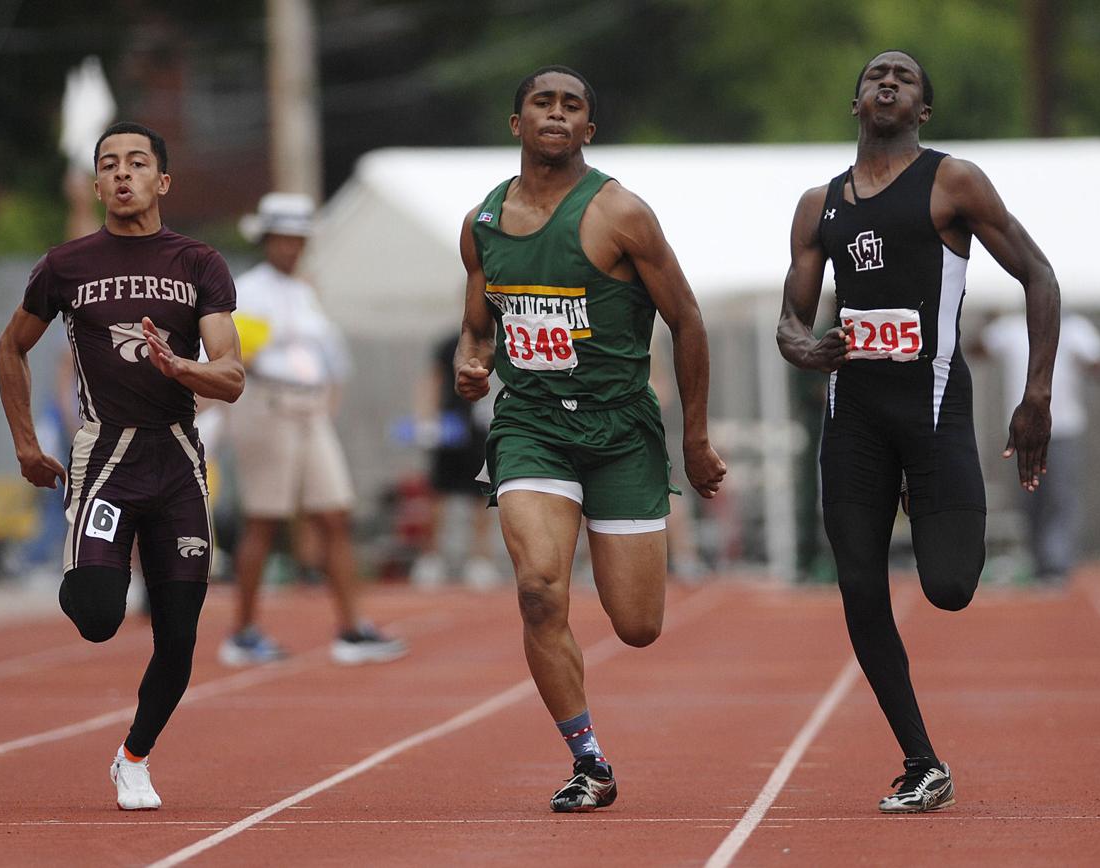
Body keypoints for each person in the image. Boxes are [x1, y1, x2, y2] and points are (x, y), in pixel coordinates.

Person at [776, 50, 1060, 813]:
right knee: (860, 587)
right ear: (856, 101)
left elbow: (1040, 274)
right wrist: (806, 348)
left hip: (933, 411)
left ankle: (931, 498)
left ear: (923, 110)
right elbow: (792, 322)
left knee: (949, 587)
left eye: (904, 77)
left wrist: (1036, 394)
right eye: (875, 75)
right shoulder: (818, 205)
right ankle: (921, 761)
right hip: (855, 419)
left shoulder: (952, 182)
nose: (889, 82)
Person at [455, 65, 726, 812]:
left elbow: (689, 320)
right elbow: (477, 329)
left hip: (620, 430)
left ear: (588, 130)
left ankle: (593, 736)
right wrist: (471, 364)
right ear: (517, 124)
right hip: (531, 424)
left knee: (637, 625)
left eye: (571, 105)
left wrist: (695, 438)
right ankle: (588, 760)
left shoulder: (619, 214)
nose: (556, 113)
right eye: (542, 102)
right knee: (540, 589)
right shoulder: (481, 224)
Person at [0, 122, 245, 810]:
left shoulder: (199, 263)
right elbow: (10, 348)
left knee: (180, 634)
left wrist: (181, 364)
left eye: (138, 163)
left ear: (162, 181)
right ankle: (83, 562)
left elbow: (231, 375)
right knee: (100, 617)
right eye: (110, 165)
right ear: (99, 183)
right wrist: (24, 442)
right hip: (105, 452)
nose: (123, 174)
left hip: (178, 458)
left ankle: (134, 755)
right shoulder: (66, 265)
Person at [218, 192, 406, 667]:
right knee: (264, 520)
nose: (291, 247)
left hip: (309, 410)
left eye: (298, 239)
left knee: (336, 513)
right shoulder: (249, 291)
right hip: (267, 404)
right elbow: (235, 358)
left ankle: (351, 628)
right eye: (283, 238)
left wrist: (325, 396)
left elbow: (329, 358)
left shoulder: (304, 292)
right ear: (266, 240)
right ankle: (242, 631)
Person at [980, 310, 1100, 585]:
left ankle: (1056, 564)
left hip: (1064, 428)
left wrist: (1090, 363)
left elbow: (1099, 363)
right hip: (1023, 431)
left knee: (1060, 498)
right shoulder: (1012, 327)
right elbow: (978, 348)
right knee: (1029, 499)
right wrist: (985, 322)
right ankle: (1039, 562)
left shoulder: (1074, 328)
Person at [409, 330, 498, 589]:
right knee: (438, 492)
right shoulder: (449, 343)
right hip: (449, 424)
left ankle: (480, 561)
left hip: (481, 427)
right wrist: (425, 419)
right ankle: (431, 559)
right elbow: (433, 381)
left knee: (481, 492)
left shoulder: (504, 341)